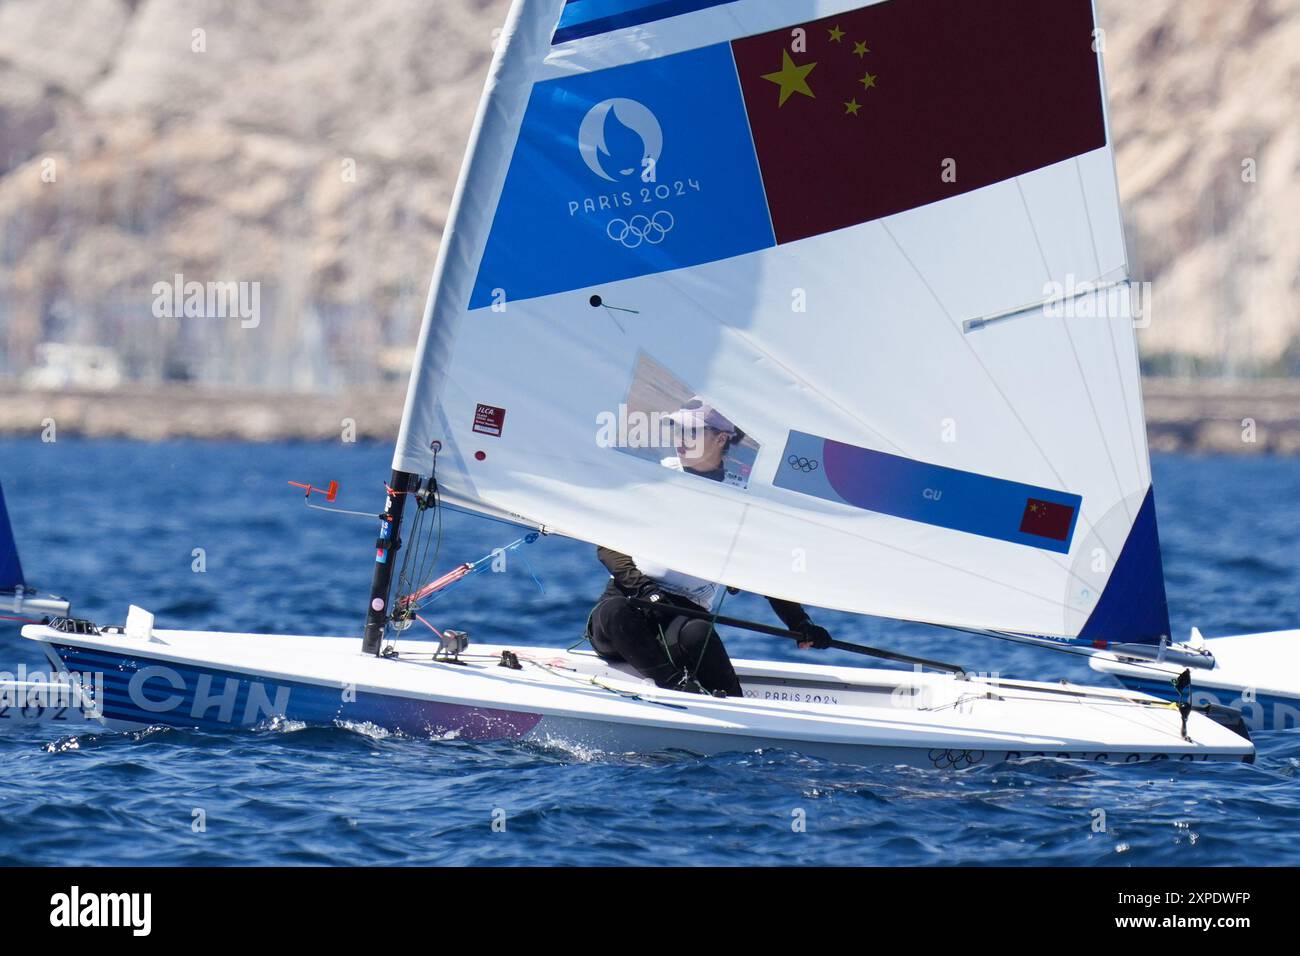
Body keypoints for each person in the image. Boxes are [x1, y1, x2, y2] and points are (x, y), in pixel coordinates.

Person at [587, 399, 833, 697]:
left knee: (698, 634)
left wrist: (800, 622)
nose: (680, 440)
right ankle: (677, 688)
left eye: (691, 432)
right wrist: (643, 589)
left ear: (720, 438)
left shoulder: (738, 498)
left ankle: (739, 715)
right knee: (615, 612)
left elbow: (764, 567)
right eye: (677, 430)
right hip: (630, 603)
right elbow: (609, 545)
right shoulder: (655, 477)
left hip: (683, 615)